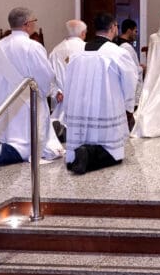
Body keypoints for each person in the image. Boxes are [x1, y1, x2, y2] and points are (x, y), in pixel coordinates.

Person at [0, 7, 64, 169]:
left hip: (3, 101)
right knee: (31, 144)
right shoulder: (32, 47)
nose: (34, 24)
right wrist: (48, 91)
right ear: (27, 24)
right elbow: (46, 75)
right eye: (34, 21)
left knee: (7, 135)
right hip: (28, 102)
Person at [64, 13, 139, 174]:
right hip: (105, 106)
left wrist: (69, 105)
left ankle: (76, 155)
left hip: (80, 107)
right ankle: (90, 153)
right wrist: (128, 106)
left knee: (82, 137)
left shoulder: (78, 52)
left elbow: (68, 79)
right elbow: (130, 81)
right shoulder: (117, 52)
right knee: (113, 154)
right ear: (112, 28)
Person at [48, 19, 87, 129]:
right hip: (83, 100)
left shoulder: (56, 50)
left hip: (62, 100)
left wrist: (56, 92)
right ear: (83, 33)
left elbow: (49, 77)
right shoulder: (87, 49)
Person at [114, 18, 143, 106]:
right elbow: (130, 70)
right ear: (129, 31)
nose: (136, 34)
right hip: (130, 91)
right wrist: (142, 68)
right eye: (135, 31)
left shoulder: (116, 44)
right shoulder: (126, 47)